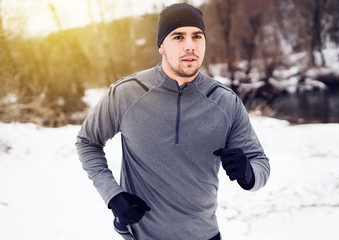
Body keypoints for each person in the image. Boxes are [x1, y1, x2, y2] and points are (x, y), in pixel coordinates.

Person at [76, 3, 270, 240]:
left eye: (197, 36)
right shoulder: (127, 93)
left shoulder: (225, 101)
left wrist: (248, 172)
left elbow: (260, 164)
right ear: (161, 46)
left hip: (205, 235)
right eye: (178, 37)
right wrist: (113, 195)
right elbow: (87, 142)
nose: (190, 45)